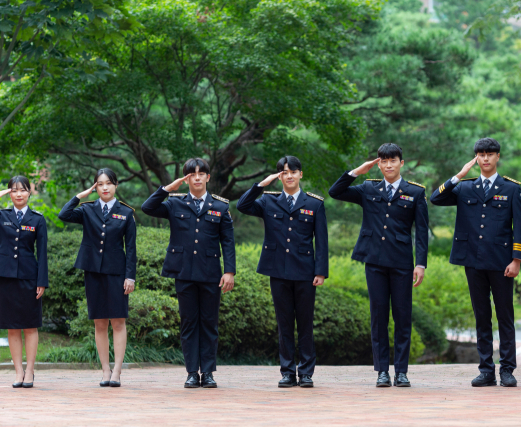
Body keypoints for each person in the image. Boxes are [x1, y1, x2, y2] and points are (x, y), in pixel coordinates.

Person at [430, 137, 521, 388]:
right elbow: (436, 198)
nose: (485, 158)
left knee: (505, 316)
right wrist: (459, 175)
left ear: (497, 157)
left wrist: (516, 260)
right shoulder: (464, 187)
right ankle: (486, 370)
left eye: (490, 154)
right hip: (472, 260)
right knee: (481, 316)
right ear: (476, 158)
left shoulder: (511, 189)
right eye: (481, 154)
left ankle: (507, 370)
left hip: (501, 261)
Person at [328, 143, 428, 388]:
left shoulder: (414, 192)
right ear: (379, 163)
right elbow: (335, 192)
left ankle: (401, 372)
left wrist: (421, 264)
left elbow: (422, 232)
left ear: (401, 163)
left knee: (403, 317)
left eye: (393, 160)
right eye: (383, 161)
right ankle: (382, 371)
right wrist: (356, 172)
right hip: (374, 261)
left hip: (402, 263)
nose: (388, 165)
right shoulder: (368, 188)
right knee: (379, 317)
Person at [141, 158, 235, 389]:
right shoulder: (175, 204)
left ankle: (209, 373)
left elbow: (228, 242)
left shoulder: (220, 207)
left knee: (209, 323)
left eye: (201, 173)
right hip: (183, 272)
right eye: (191, 174)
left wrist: (229, 271)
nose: (197, 178)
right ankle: (192, 372)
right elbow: (148, 207)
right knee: (189, 323)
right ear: (186, 179)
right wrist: (167, 189)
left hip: (211, 273)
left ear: (208, 177)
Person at [237, 156, 328, 388]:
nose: (289, 176)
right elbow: (242, 206)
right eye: (284, 172)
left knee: (305, 323)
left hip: (305, 271)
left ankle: (306, 372)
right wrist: (261, 185)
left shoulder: (315, 203)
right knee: (284, 323)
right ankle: (288, 371)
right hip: (277, 269)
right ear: (279, 176)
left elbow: (322, 241)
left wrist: (321, 271)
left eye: (293, 171)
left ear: (300, 174)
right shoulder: (269, 201)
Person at [58, 168, 136, 387]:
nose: (105, 187)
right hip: (92, 271)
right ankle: (105, 370)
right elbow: (63, 215)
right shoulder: (87, 209)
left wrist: (130, 276)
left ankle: (117, 372)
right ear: (95, 187)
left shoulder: (126, 213)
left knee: (118, 321)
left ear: (116, 186)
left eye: (109, 183)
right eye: (100, 184)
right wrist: (80, 196)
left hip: (117, 273)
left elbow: (131, 249)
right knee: (100, 323)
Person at [0, 176, 48, 388]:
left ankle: (30, 370)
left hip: (30, 278)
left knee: (30, 326)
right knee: (12, 327)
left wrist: (42, 281)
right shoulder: (1, 216)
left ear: (29, 193)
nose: (19, 194)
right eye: (14, 190)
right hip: (5, 278)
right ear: (9, 194)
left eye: (23, 190)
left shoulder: (38, 219)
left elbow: (42, 253)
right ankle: (18, 372)